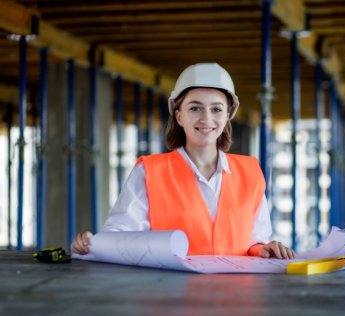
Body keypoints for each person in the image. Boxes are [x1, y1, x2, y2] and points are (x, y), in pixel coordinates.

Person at [71, 63, 295, 259]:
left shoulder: (250, 173)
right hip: (171, 297)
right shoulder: (150, 172)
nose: (206, 118)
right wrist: (92, 245)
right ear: (179, 116)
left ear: (228, 115)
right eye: (195, 108)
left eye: (216, 109)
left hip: (236, 300)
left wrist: (263, 248)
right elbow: (120, 236)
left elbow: (254, 240)